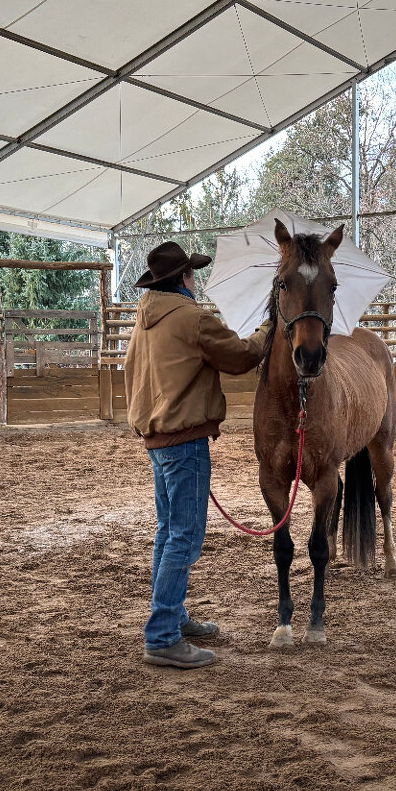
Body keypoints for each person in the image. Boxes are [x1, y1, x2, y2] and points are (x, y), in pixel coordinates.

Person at [124, 241, 269, 669]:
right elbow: (241, 357)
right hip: (185, 440)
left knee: (168, 532)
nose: (196, 280)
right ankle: (162, 636)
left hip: (158, 439)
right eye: (193, 273)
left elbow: (130, 372)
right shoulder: (193, 318)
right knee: (184, 537)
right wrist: (268, 328)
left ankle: (173, 618)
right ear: (184, 278)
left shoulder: (145, 318)